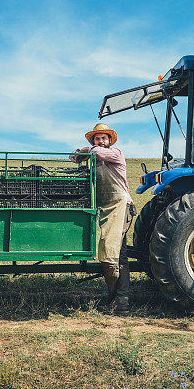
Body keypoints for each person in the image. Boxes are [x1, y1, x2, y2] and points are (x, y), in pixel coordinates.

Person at [71, 123, 135, 314]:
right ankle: (112, 297)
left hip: (119, 207)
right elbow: (73, 158)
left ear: (109, 141)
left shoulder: (115, 154)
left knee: (118, 254)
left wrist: (86, 150)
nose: (101, 141)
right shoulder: (94, 160)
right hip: (103, 209)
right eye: (97, 138)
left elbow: (96, 153)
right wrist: (78, 154)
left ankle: (122, 300)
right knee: (105, 252)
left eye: (104, 138)